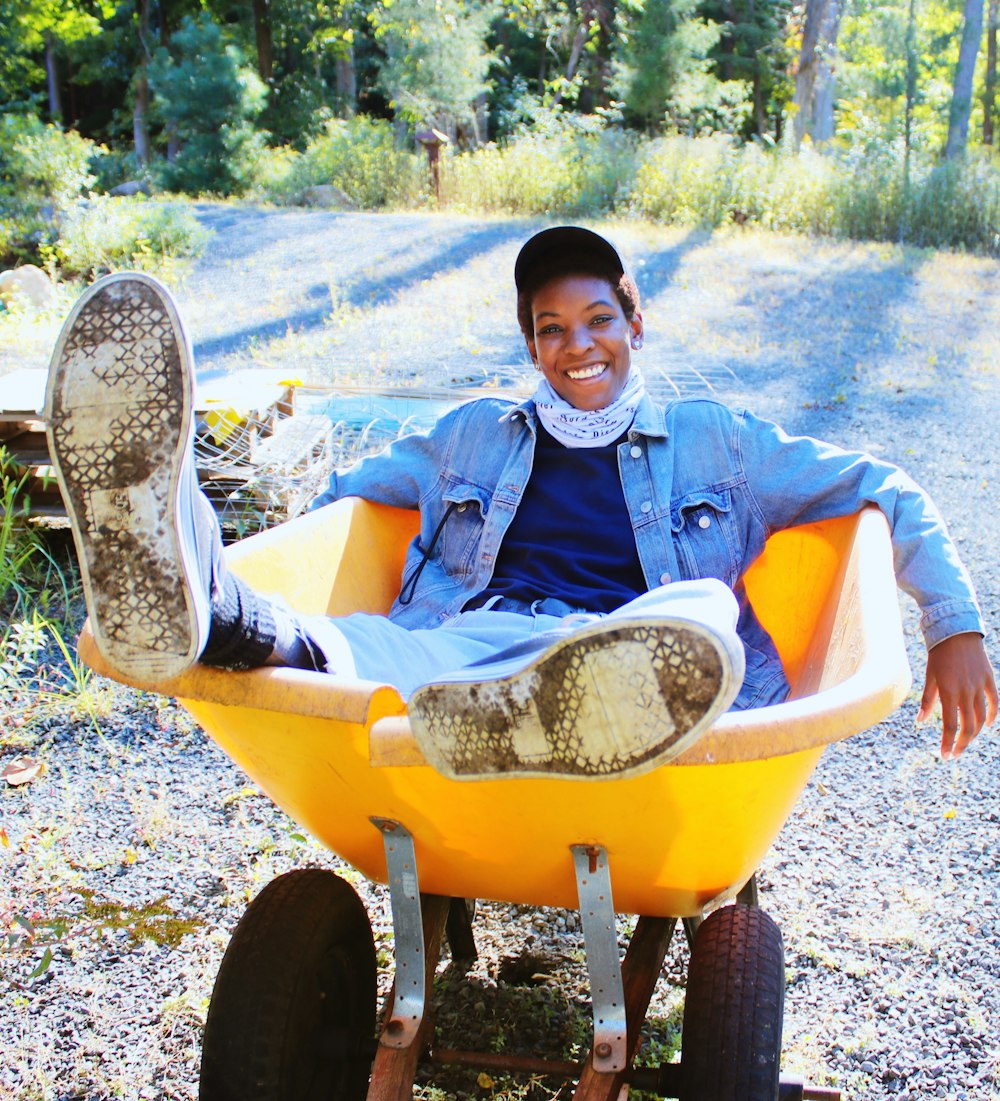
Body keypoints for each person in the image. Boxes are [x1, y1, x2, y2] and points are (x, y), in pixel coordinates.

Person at [45, 226, 996, 782]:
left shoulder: (720, 441)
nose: (578, 346)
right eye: (551, 329)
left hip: (632, 657)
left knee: (703, 612)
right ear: (531, 345)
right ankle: (192, 584)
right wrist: (256, 567)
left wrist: (953, 625)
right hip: (473, 659)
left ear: (633, 319)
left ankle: (565, 702)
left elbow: (881, 485)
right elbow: (333, 513)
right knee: (350, 646)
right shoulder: (466, 435)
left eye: (597, 320)